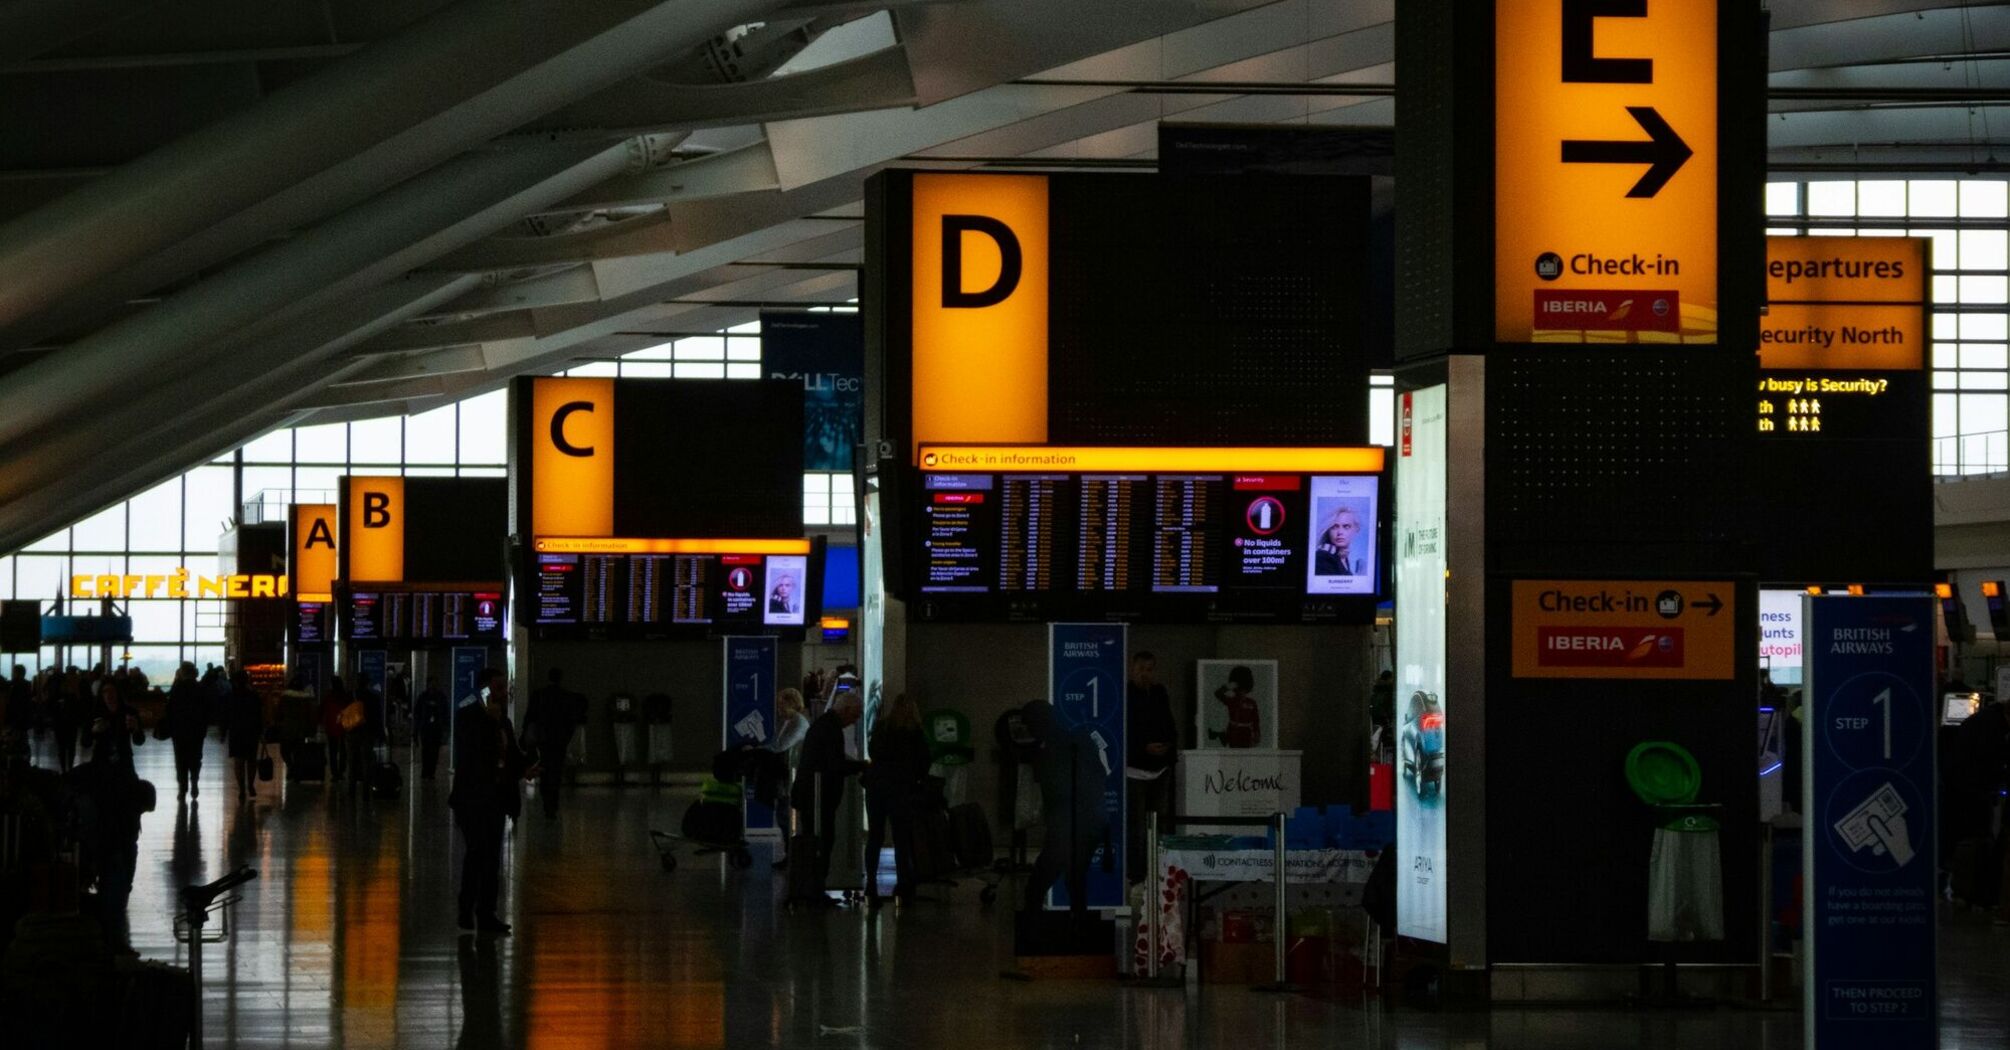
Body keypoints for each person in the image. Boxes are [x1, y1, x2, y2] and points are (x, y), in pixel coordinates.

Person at [451, 669, 537, 934]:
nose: (502, 694)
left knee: (491, 858)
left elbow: (509, 755)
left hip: (496, 798)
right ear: (485, 690)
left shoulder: (504, 723)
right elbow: (473, 756)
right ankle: (466, 909)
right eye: (496, 688)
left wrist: (525, 768)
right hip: (472, 799)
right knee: (477, 852)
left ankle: (486, 913)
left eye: (503, 688)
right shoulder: (469, 718)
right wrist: (490, 722)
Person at [1022, 699, 1108, 920]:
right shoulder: (1079, 739)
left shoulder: (1046, 752)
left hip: (1066, 826)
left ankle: (1036, 938)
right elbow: (1098, 777)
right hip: (1090, 824)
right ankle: (1081, 935)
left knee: (1037, 885)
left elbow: (1054, 790)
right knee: (1076, 879)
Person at [791, 693, 868, 896]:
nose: (856, 720)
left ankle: (813, 887)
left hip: (812, 795)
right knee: (822, 842)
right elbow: (834, 764)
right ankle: (816, 888)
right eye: (856, 715)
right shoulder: (831, 728)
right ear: (846, 710)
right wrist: (861, 766)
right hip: (818, 798)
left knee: (817, 840)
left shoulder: (824, 725)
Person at [863, 694, 932, 907]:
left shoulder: (882, 727)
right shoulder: (915, 732)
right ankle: (903, 883)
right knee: (902, 838)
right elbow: (925, 761)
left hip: (877, 787)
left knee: (875, 836)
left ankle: (871, 884)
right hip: (902, 789)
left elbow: (873, 751)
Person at [1124, 652, 1179, 882]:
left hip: (1160, 766)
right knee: (1137, 825)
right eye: (1141, 669)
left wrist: (1168, 748)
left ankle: (1159, 869)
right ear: (1132, 669)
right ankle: (1137, 873)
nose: (1146, 674)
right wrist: (1142, 748)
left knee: (1160, 823)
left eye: (1150, 669)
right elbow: (1126, 729)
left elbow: (1168, 722)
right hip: (1135, 767)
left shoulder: (1159, 693)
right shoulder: (1126, 694)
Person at [524, 668, 582, 818]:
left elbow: (530, 717)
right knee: (556, 770)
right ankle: (553, 803)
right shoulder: (567, 697)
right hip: (559, 740)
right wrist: (566, 738)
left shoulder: (539, 695)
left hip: (543, 739)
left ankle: (546, 800)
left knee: (544, 768)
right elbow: (571, 721)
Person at [164, 662, 209, 801]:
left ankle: (182, 787)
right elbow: (207, 709)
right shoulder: (200, 688)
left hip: (179, 730)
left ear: (182, 672)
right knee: (195, 758)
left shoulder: (177, 688)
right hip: (196, 730)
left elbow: (169, 709)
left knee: (180, 759)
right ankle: (194, 781)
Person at [226, 669, 265, 801]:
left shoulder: (231, 696)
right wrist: (261, 731)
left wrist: (223, 731)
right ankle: (251, 785)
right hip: (251, 731)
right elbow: (259, 715)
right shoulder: (254, 696)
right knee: (251, 760)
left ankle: (242, 788)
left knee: (239, 761)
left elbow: (226, 715)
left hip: (236, 732)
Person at [1211, 666, 1262, 749]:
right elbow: (1218, 693)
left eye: (1243, 690)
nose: (1241, 692)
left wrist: (1257, 733)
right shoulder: (1231, 701)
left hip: (1246, 733)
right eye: (1239, 689)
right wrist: (1230, 685)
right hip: (1233, 731)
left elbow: (1256, 720)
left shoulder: (1252, 703)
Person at [415, 676, 450, 780]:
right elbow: (418, 712)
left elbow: (445, 712)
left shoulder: (441, 697)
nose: (433, 685)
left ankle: (431, 772)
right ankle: (425, 770)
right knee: (426, 750)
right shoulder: (423, 697)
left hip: (436, 727)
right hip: (425, 727)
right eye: (431, 683)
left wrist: (445, 727)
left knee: (434, 751)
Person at [1314, 506, 1365, 577]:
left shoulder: (1342, 556)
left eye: (1346, 527)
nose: (1340, 532)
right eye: (1334, 527)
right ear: (1328, 530)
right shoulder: (1323, 557)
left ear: (1356, 530)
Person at [321, 677, 351, 781]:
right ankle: (341, 771)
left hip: (331, 726)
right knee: (343, 751)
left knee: (332, 751)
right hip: (343, 727)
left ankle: (334, 773)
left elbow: (322, 710)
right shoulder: (346, 696)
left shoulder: (328, 697)